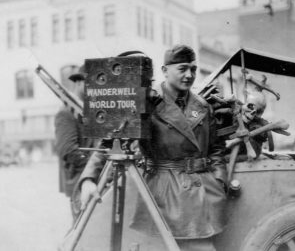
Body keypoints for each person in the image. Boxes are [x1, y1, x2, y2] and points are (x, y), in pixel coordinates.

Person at [79, 45, 227, 251]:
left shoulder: (202, 105)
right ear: (165, 71)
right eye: (182, 69)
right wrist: (88, 179)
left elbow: (217, 148)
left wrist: (219, 179)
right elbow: (109, 143)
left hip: (203, 190)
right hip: (165, 190)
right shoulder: (147, 101)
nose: (189, 75)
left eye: (193, 69)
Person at [55, 65, 91, 220]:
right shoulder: (65, 113)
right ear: (78, 83)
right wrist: (96, 167)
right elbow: (68, 151)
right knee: (83, 230)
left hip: (93, 179)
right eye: (91, 84)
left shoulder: (90, 110)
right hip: (79, 181)